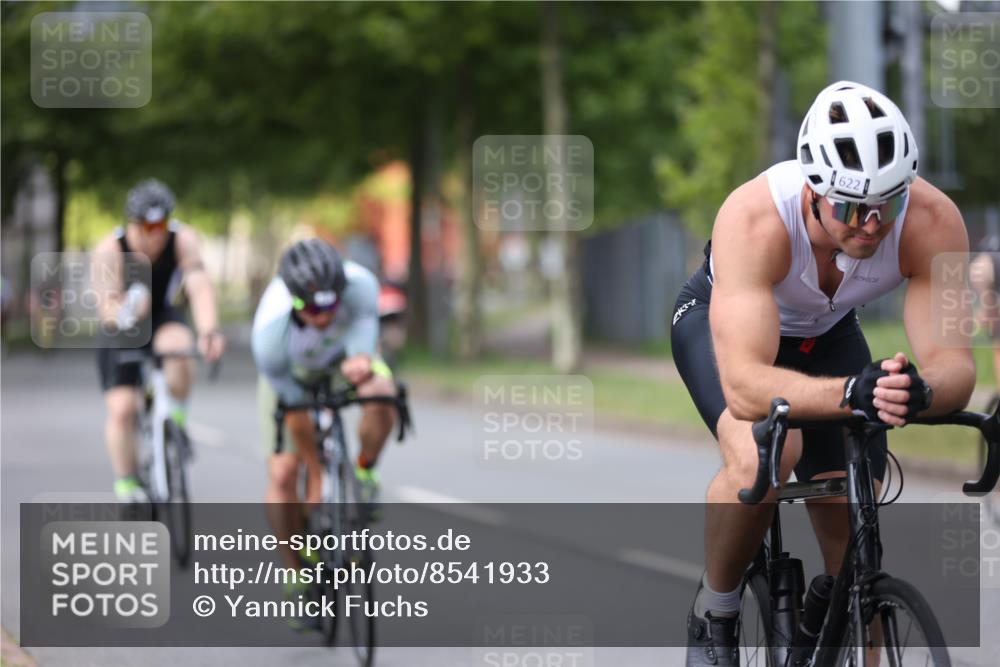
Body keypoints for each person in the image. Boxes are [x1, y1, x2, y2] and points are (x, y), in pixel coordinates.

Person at [670, 81, 974, 666]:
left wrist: (916, 392)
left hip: (826, 334)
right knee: (766, 454)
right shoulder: (756, 218)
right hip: (724, 326)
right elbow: (744, 385)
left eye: (886, 205)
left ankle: (840, 612)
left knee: (855, 520)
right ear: (813, 189)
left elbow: (955, 363)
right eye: (849, 207)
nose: (869, 224)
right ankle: (718, 609)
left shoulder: (932, 222)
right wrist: (850, 393)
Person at [251, 238, 396, 618]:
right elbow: (293, 408)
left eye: (330, 303)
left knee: (381, 391)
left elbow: (365, 330)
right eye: (310, 306)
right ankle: (295, 574)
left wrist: (361, 360)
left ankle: (364, 470)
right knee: (284, 473)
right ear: (292, 298)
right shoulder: (269, 332)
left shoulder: (361, 285)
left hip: (341, 364)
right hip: (289, 377)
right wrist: (316, 474)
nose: (322, 313)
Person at [94, 179, 226, 503]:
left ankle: (175, 418)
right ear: (133, 223)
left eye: (161, 224)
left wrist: (209, 330)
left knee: (179, 345)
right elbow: (106, 305)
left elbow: (199, 284)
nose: (156, 233)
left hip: (163, 316)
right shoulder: (110, 249)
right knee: (123, 409)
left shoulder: (183, 239)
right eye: (147, 226)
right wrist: (126, 310)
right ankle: (127, 482)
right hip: (122, 326)